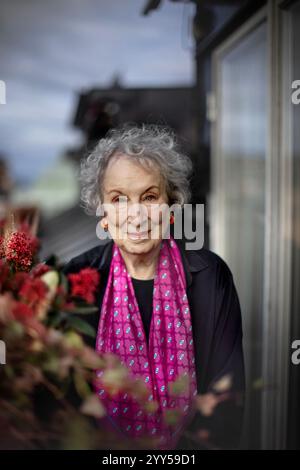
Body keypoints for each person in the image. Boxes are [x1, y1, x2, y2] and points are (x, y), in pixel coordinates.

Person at [62, 124, 245, 450]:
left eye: (149, 197)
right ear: (102, 213)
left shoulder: (210, 276)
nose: (135, 215)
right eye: (118, 199)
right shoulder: (77, 279)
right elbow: (62, 406)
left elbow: (226, 403)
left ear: (171, 207)